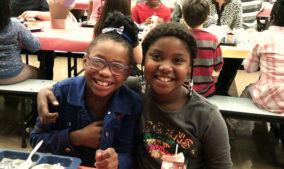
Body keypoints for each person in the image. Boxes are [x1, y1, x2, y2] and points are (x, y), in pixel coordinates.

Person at [36, 22, 232, 168]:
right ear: (143, 61)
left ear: (190, 67)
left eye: (178, 60)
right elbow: (93, 82)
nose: (164, 67)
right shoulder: (134, 89)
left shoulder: (208, 117)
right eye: (156, 57)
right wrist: (46, 92)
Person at [30, 12, 142, 168]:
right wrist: (74, 138)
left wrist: (117, 162)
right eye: (97, 61)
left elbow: (131, 153)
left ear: (127, 73)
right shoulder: (62, 93)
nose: (104, 72)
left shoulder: (132, 103)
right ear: (84, 61)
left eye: (117, 67)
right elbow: (36, 139)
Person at [0, 0, 40, 125]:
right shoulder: (16, 26)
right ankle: (35, 114)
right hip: (12, 74)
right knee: (36, 71)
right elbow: (35, 46)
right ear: (8, 7)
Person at [240, 0, 284, 145]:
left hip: (267, 96)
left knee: (247, 90)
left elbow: (248, 68)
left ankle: (231, 128)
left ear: (273, 16)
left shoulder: (262, 37)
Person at [182, 0, 223, 97]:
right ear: (206, 18)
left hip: (181, 90)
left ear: (183, 17)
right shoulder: (213, 39)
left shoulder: (179, 38)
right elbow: (218, 68)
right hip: (206, 91)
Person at [204, 0, 243, 96]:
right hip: (205, 41)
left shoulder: (236, 3)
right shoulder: (204, 2)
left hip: (226, 43)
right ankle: (203, 87)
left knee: (237, 57)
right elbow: (196, 22)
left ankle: (221, 89)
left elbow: (238, 27)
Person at [94, 0, 143, 76]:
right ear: (127, 7)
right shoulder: (130, 27)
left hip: (101, 71)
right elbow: (139, 59)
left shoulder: (99, 25)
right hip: (126, 74)